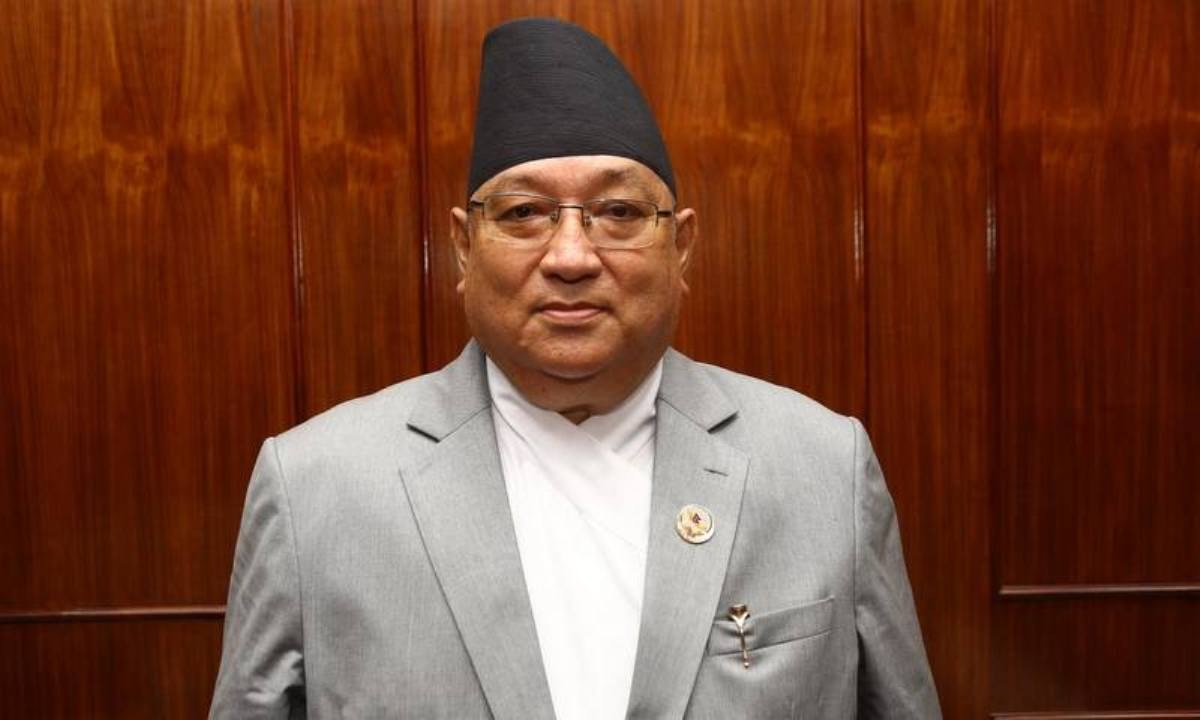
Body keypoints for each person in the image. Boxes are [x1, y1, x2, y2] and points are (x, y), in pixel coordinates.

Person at [210, 17, 941, 720]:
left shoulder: (822, 468)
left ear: (681, 247)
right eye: (523, 214)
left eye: (618, 212)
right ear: (463, 247)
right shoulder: (316, 488)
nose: (569, 256)